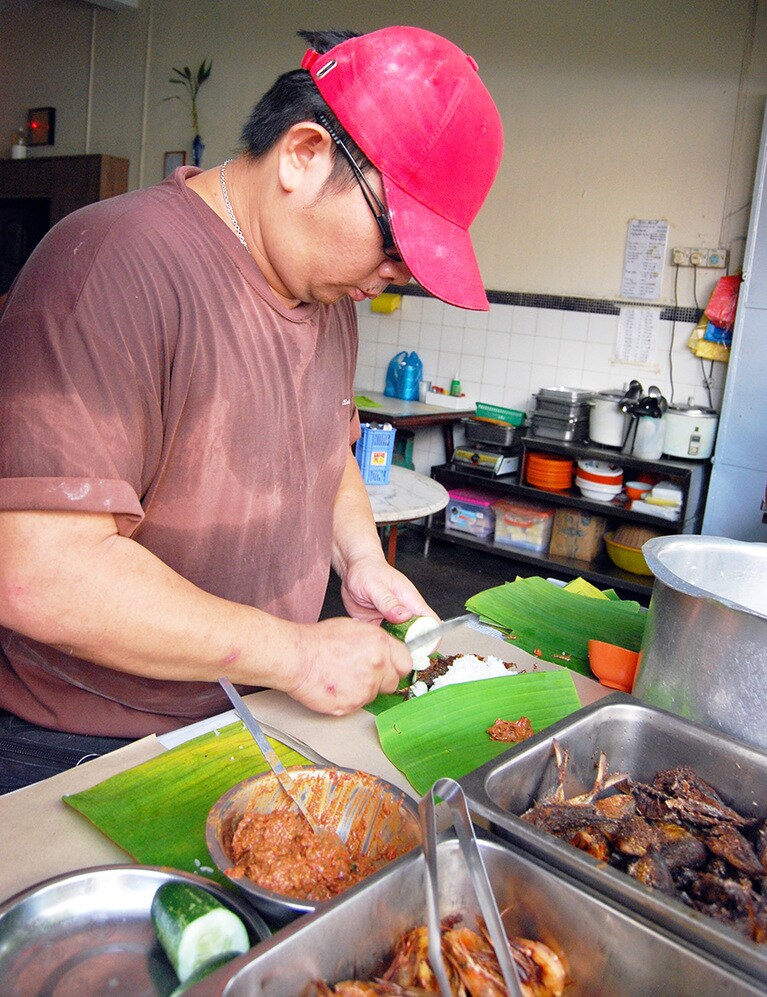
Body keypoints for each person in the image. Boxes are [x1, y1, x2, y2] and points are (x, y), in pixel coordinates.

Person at [0, 26, 503, 792]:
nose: (395, 275)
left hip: (251, 712)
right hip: (88, 744)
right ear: (303, 154)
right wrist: (298, 653)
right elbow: (38, 571)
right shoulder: (110, 265)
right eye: (395, 241)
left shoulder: (326, 288)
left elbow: (325, 447)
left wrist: (360, 559)